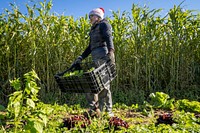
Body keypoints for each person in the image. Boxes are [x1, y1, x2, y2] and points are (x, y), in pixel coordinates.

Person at [74, 7, 115, 117]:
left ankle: (108, 111)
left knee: (104, 84)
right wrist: (81, 57)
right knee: (94, 84)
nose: (90, 18)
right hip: (95, 56)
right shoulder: (93, 29)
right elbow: (90, 46)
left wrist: (110, 52)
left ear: (98, 16)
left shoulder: (103, 24)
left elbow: (108, 37)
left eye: (91, 16)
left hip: (103, 54)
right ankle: (96, 110)